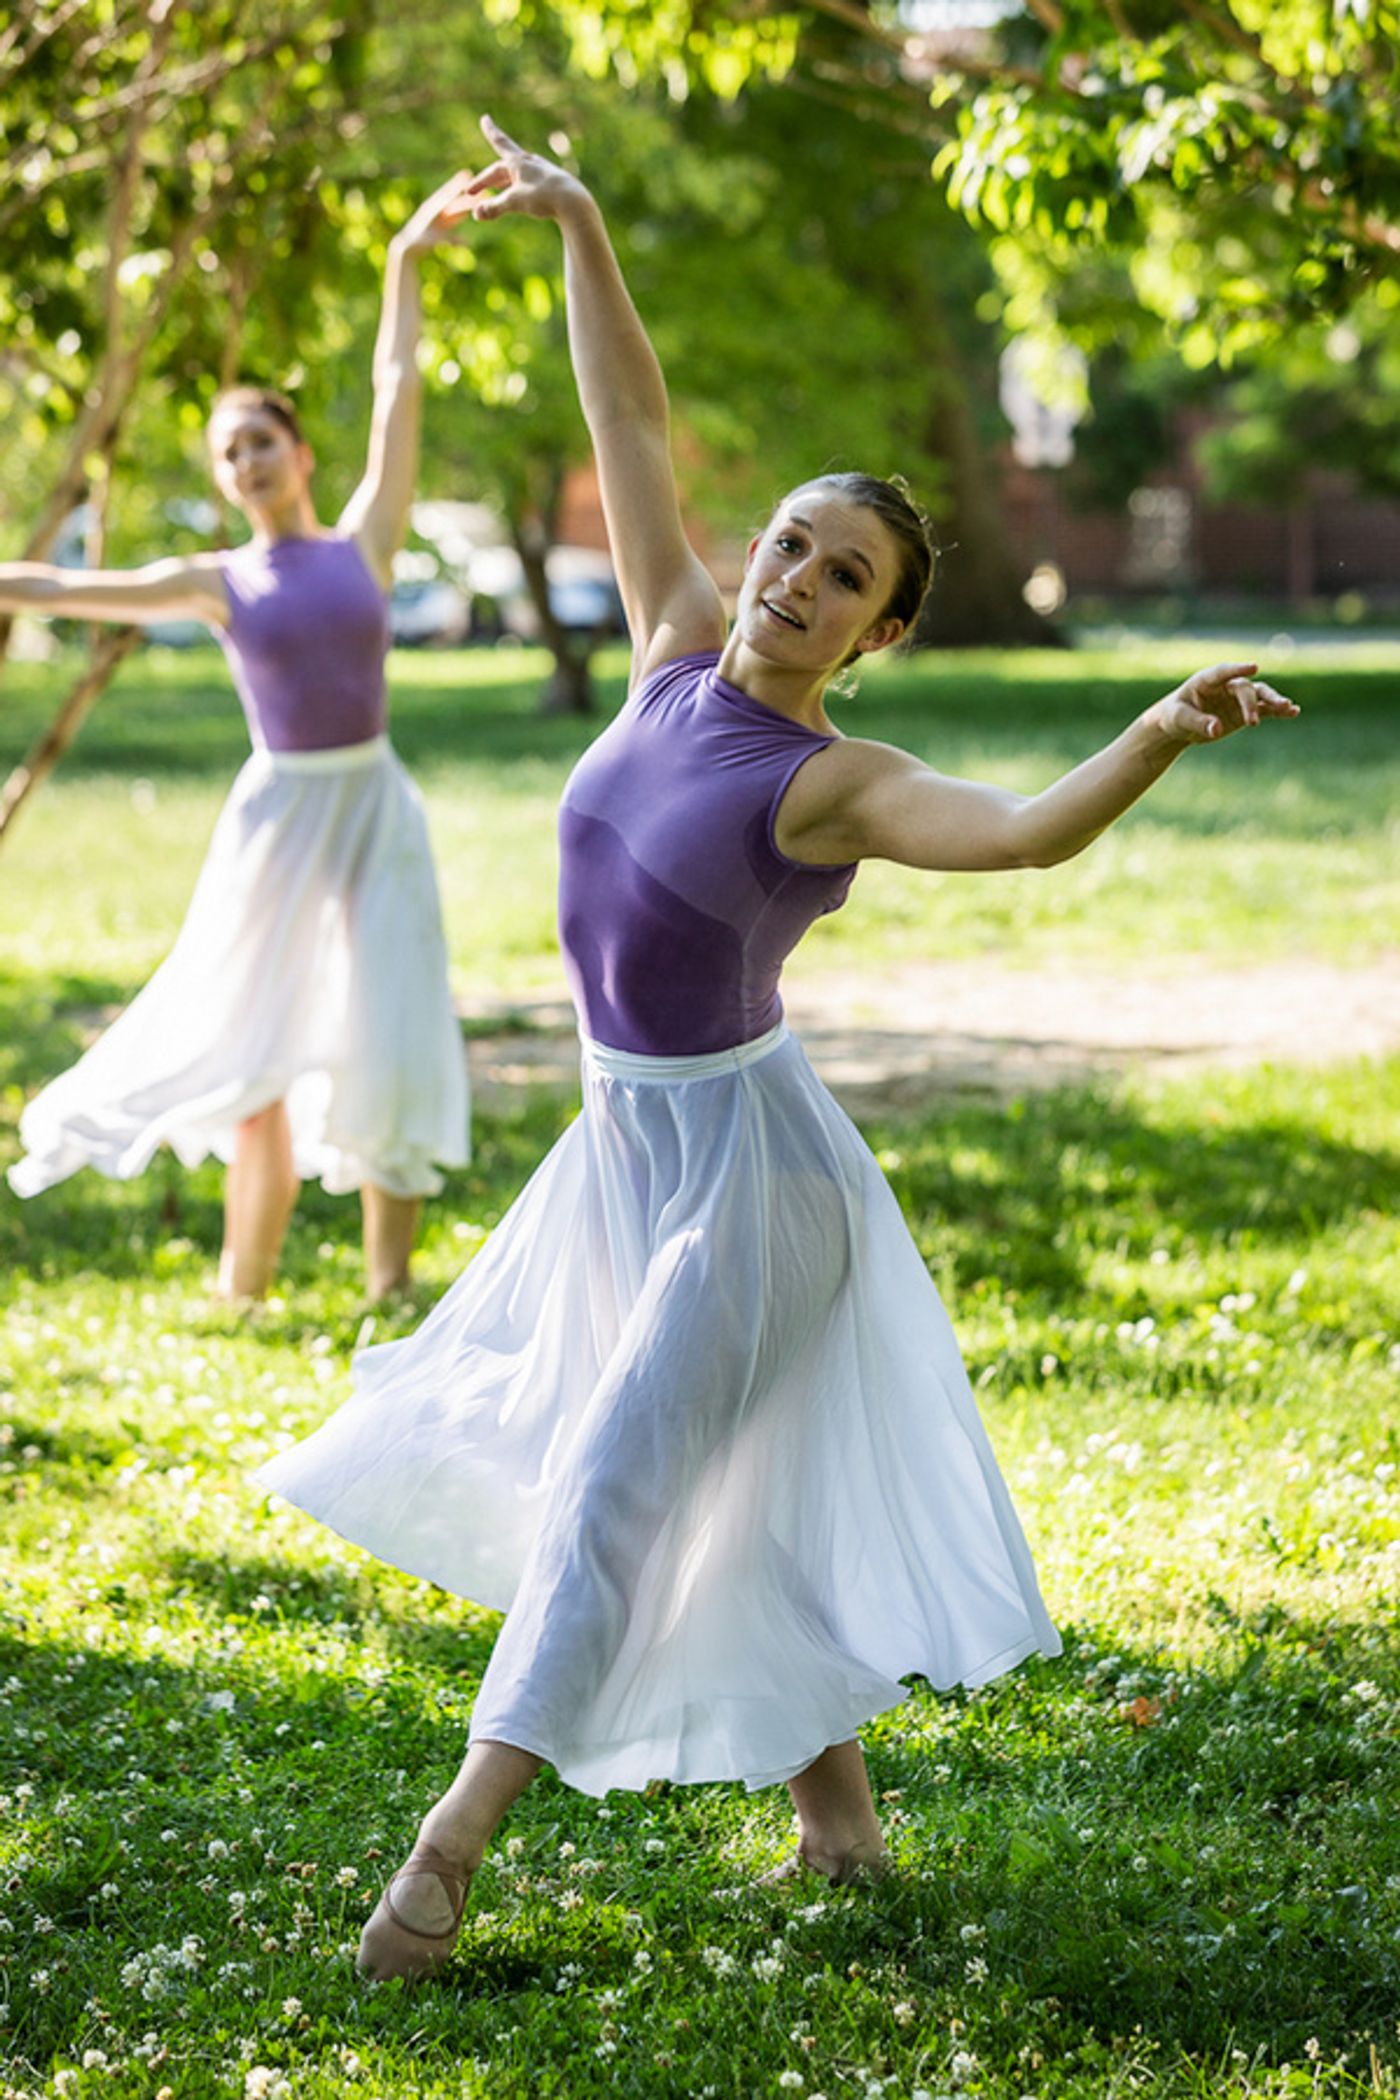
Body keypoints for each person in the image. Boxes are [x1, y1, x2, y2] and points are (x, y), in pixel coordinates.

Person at [255, 119, 1299, 1982]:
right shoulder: (666, 648)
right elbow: (633, 425)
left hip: (755, 1183)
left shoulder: (836, 782)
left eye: (843, 581)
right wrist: (580, 225)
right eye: (793, 546)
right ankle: (839, 1827)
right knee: (666, 1469)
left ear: (883, 631)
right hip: (621, 1149)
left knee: (618, 1486)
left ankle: (444, 1854)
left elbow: (1023, 832)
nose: (793, 582)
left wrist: (1152, 729)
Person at [3, 175, 478, 1302]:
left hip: (372, 808)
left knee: (391, 1031)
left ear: (299, 451)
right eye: (229, 454)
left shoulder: (365, 540)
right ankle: (243, 1284)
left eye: (261, 440)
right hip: (277, 822)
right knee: (256, 1047)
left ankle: (388, 1286)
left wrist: (406, 254)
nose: (248, 462)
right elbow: (64, 586)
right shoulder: (216, 581)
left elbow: (396, 379)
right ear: (223, 479)